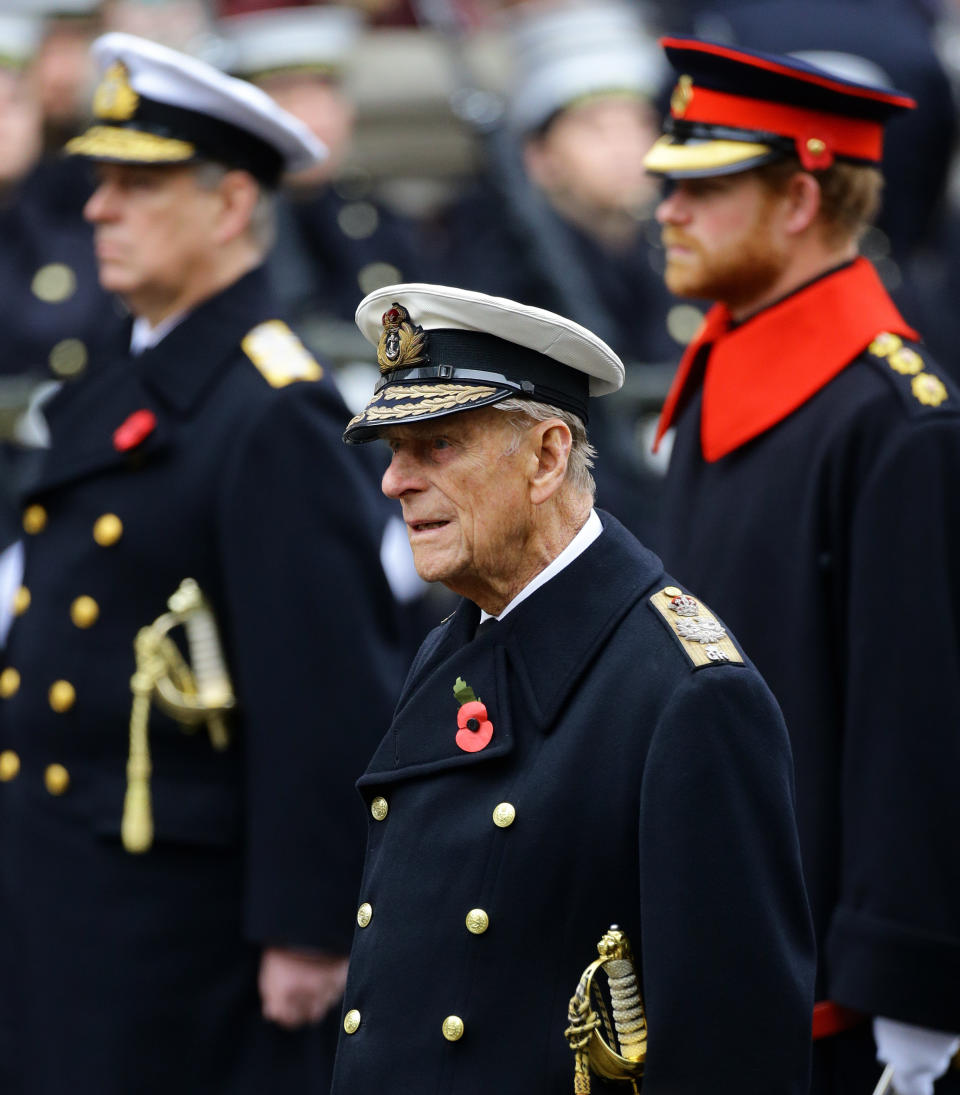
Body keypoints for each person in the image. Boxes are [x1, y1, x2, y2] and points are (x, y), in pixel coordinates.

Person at [0, 32, 406, 1095]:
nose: (98, 209)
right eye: (98, 181)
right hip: (69, 885)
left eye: (138, 185)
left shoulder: (271, 414)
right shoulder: (120, 382)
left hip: (183, 929)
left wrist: (309, 930)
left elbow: (324, 694)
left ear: (229, 207)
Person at [326, 281, 815, 1093]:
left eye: (437, 445)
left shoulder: (687, 694)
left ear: (549, 457)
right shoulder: (455, 646)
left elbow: (737, 1049)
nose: (395, 483)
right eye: (392, 450)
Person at [645, 36, 960, 1095]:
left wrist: (910, 986)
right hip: (712, 941)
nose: (667, 211)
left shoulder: (894, 422)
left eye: (706, 187)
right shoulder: (726, 374)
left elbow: (913, 729)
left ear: (799, 198)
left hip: (830, 994)